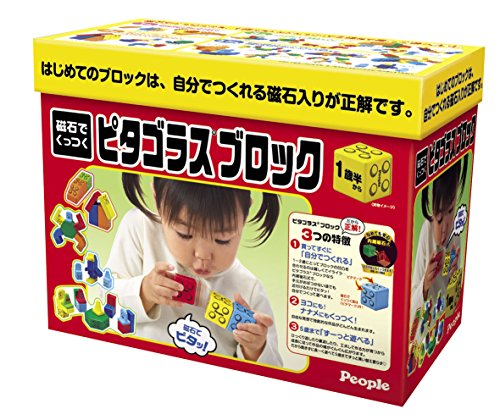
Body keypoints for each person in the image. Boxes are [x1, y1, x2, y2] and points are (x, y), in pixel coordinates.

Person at [106, 173, 283, 366]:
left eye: (222, 239)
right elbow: (106, 300)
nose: (203, 255)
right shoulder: (141, 229)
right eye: (185, 235)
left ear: (245, 213)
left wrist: (256, 348)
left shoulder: (249, 289)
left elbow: (275, 367)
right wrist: (144, 292)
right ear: (158, 201)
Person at [410, 155, 468, 337]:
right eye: (439, 219)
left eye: (451, 210)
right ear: (431, 214)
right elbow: (412, 302)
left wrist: (454, 278)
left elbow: (453, 299)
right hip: (425, 329)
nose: (444, 229)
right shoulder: (427, 232)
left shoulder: (455, 237)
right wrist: (425, 284)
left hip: (442, 324)